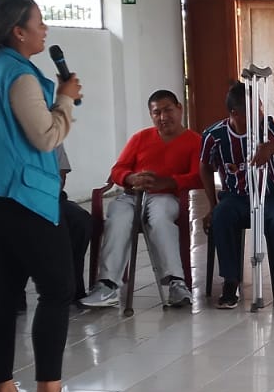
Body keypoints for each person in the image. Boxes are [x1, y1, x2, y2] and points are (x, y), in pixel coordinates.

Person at [0, 0, 93, 392]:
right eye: (39, 22)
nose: (45, 29)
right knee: (56, 290)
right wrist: (65, 98)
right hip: (18, 197)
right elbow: (46, 136)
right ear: (18, 31)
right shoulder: (19, 76)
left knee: (3, 290)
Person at [81, 91, 202, 310]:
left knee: (160, 219)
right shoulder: (140, 138)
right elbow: (118, 169)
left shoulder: (194, 141)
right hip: (132, 196)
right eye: (157, 112)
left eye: (168, 110)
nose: (163, 117)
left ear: (179, 108)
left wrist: (167, 182)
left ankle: (176, 283)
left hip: (166, 196)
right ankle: (107, 286)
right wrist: (131, 178)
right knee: (118, 219)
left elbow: (197, 176)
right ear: (151, 114)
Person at [201, 81, 274, 309]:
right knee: (222, 217)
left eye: (260, 107)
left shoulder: (266, 127)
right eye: (254, 110)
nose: (260, 113)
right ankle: (230, 281)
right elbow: (204, 165)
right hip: (235, 197)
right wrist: (212, 204)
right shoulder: (214, 135)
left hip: (269, 194)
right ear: (235, 113)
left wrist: (271, 147)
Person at [55, 143, 92, 302]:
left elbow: (60, 176)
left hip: (50, 198)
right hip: (16, 201)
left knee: (80, 219)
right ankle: (15, 294)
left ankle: (73, 287)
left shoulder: (52, 136)